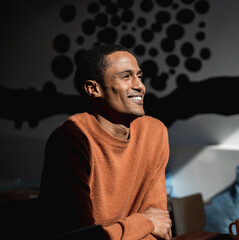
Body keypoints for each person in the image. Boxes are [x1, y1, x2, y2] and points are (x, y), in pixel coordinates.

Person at [39, 45, 172, 240]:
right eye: (126, 76)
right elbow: (81, 237)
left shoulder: (155, 132)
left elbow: (160, 225)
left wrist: (148, 224)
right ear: (94, 89)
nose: (140, 86)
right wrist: (144, 223)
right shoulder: (72, 138)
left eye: (139, 76)